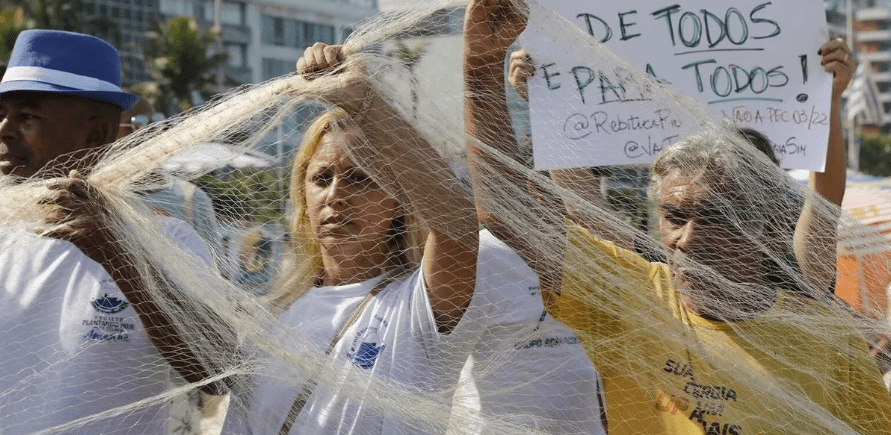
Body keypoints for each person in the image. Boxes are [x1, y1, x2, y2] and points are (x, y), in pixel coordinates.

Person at [465, 3, 891, 434]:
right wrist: (483, 64)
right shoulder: (631, 300)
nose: (688, 239)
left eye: (716, 217)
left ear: (761, 226)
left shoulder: (822, 336)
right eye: (674, 216)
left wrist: (826, 102)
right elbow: (510, 211)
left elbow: (824, 204)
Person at [223, 43, 480, 434]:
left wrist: (362, 101)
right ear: (303, 196)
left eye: (360, 178)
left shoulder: (419, 302)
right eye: (322, 178)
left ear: (399, 202)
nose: (335, 195)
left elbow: (457, 225)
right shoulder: (275, 315)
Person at [0, 30, 230, 433]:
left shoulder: (166, 240)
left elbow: (217, 369)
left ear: (95, 135)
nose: (4, 130)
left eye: (28, 116)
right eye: (1, 114)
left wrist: (115, 253)